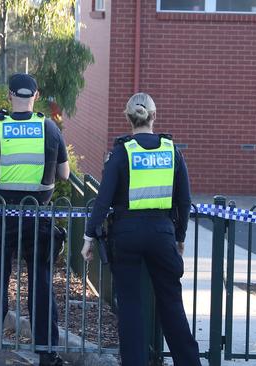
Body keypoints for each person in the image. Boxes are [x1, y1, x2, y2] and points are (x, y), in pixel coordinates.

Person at [81, 93, 201, 366]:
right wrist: (179, 237)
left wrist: (89, 237)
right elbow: (184, 200)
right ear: (154, 116)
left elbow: (103, 199)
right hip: (162, 233)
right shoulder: (172, 151)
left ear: (128, 119)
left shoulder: (122, 152)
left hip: (127, 236)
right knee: (171, 303)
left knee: (131, 307)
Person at [0, 73, 70, 366]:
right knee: (41, 286)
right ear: (35, 97)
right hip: (38, 219)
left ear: (9, 95)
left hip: (2, 216)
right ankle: (48, 354)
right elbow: (64, 174)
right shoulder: (50, 128)